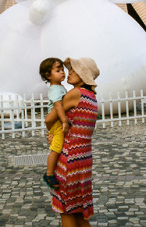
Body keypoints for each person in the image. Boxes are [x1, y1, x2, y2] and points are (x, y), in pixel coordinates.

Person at [49, 57, 99, 226]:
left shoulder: (74, 93)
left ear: (83, 75)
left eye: (74, 70)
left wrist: (51, 132)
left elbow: (50, 118)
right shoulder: (91, 97)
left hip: (70, 156)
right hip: (84, 157)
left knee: (65, 208)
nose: (69, 72)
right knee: (78, 211)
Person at [39, 58, 70, 189]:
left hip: (57, 122)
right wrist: (64, 121)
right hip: (58, 122)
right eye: (58, 70)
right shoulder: (55, 89)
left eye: (62, 69)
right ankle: (49, 174)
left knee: (57, 146)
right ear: (48, 75)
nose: (62, 72)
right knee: (56, 149)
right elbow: (58, 106)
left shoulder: (59, 87)